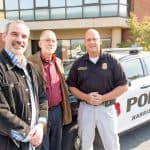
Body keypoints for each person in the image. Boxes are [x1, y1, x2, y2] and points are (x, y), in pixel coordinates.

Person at [66, 28, 128, 150]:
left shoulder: (111, 60)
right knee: (85, 144)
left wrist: (103, 98)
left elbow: (124, 86)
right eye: (88, 39)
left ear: (100, 42)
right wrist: (86, 97)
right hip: (85, 109)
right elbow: (71, 86)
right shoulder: (78, 63)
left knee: (112, 144)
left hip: (106, 109)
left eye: (94, 39)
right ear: (85, 42)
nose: (92, 42)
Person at [0, 20, 48, 150]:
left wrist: (40, 125)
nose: (20, 40)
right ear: (4, 36)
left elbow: (42, 98)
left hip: (33, 144)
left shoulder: (31, 67)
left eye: (24, 36)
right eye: (14, 34)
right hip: (10, 144)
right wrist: (28, 133)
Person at [28, 30, 72, 150]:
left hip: (57, 111)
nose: (51, 43)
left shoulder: (58, 62)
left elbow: (63, 86)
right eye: (47, 40)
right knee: (42, 146)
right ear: (40, 43)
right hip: (40, 114)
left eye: (53, 41)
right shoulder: (30, 62)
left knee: (56, 145)